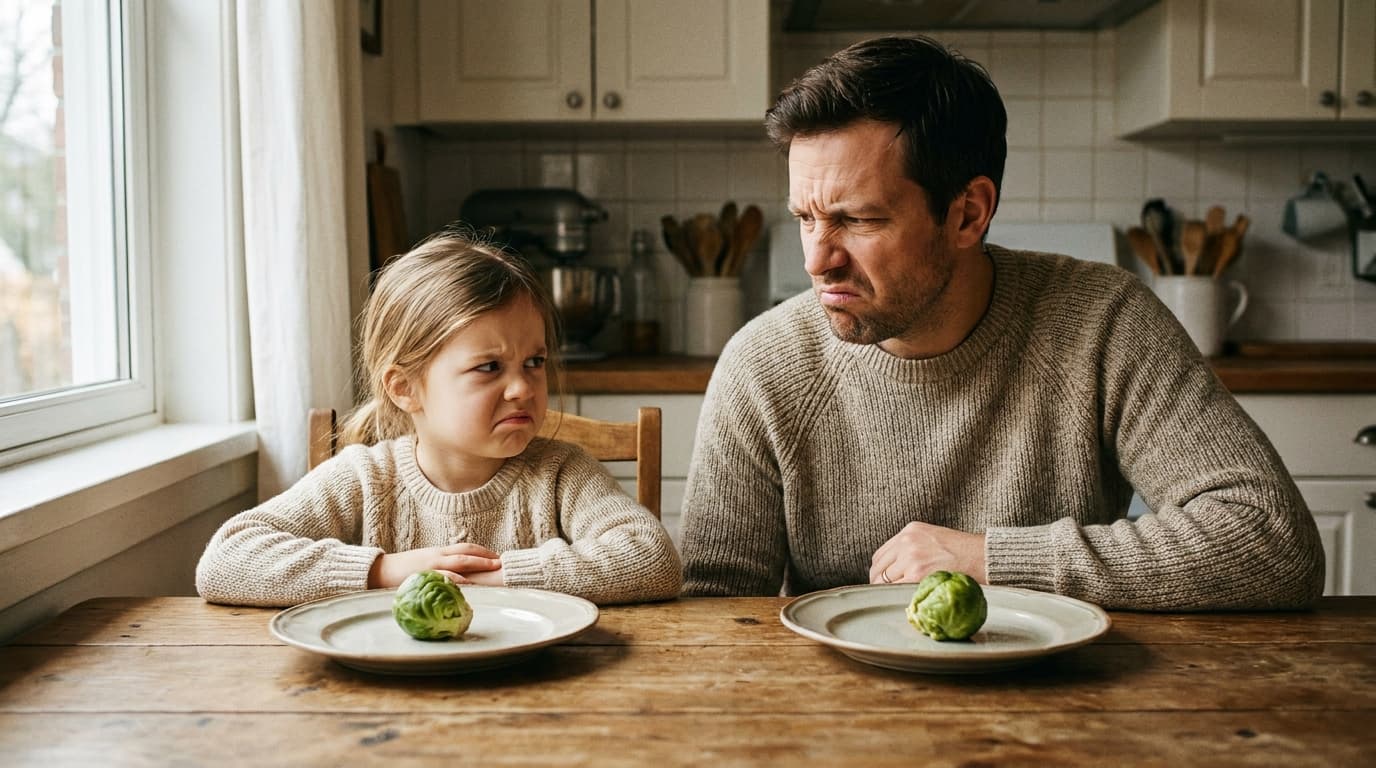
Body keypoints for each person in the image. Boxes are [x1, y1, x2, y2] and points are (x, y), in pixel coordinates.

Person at [678, 36, 1324, 610]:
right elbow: (715, 612)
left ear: (968, 214)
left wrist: (991, 560)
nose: (818, 259)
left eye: (859, 220)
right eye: (806, 218)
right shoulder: (762, 363)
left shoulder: (1104, 322)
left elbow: (1272, 541)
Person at [197, 231, 682, 607]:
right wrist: (384, 570)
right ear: (405, 388)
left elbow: (652, 559)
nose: (522, 387)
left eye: (534, 362)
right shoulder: (364, 477)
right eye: (489, 367)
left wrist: (501, 577)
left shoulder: (561, 473)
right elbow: (226, 560)